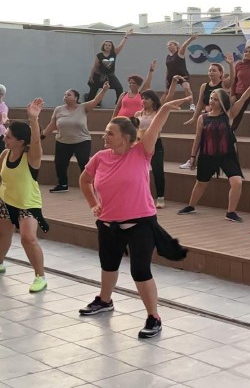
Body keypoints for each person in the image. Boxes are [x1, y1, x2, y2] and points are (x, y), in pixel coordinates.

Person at [77, 95, 192, 339]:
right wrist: (93, 204)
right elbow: (84, 180)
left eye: (110, 133)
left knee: (140, 271)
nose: (104, 136)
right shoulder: (100, 157)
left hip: (140, 223)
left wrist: (165, 108)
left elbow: (155, 127)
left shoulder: (141, 152)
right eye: (106, 132)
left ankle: (154, 317)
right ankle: (104, 300)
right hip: (108, 223)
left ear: (126, 137)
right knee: (108, 264)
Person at [0, 99, 49, 294]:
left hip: (28, 204)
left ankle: (40, 276)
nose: (4, 138)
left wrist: (33, 119)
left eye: (8, 137)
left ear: (21, 141)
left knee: (28, 239)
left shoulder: (32, 157)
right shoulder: (5, 154)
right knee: (2, 234)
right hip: (5, 201)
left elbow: (36, 143)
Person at [178, 84, 250, 222]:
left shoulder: (229, 115)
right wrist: (193, 156)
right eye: (211, 98)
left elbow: (242, 100)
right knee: (201, 183)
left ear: (222, 102)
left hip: (227, 156)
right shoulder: (203, 118)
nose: (212, 101)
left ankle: (231, 213)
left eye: (216, 99)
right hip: (207, 155)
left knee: (237, 182)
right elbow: (198, 138)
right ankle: (191, 206)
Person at [42, 83, 112, 193]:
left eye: (69, 94)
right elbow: (52, 125)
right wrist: (42, 135)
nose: (65, 96)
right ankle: (62, 184)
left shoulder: (83, 107)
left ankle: (89, 184)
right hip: (62, 141)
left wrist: (103, 90)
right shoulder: (58, 109)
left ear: (76, 98)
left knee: (84, 163)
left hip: (82, 141)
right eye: (65, 94)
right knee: (60, 164)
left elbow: (95, 100)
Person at [179, 54, 235, 169]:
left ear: (220, 73)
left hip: (221, 117)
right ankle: (192, 160)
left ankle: (224, 163)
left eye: (214, 70)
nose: (211, 72)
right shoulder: (204, 86)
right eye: (210, 70)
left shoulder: (224, 84)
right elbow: (200, 103)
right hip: (208, 116)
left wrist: (231, 64)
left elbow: (233, 78)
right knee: (201, 138)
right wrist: (194, 117)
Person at [86, 29, 133, 102]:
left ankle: (119, 104)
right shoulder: (99, 55)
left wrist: (126, 36)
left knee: (119, 88)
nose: (107, 46)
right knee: (93, 90)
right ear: (103, 46)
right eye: (106, 45)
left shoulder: (113, 53)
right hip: (99, 76)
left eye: (109, 45)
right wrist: (91, 76)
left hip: (110, 76)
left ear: (111, 47)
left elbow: (121, 45)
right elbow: (95, 66)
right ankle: (88, 104)